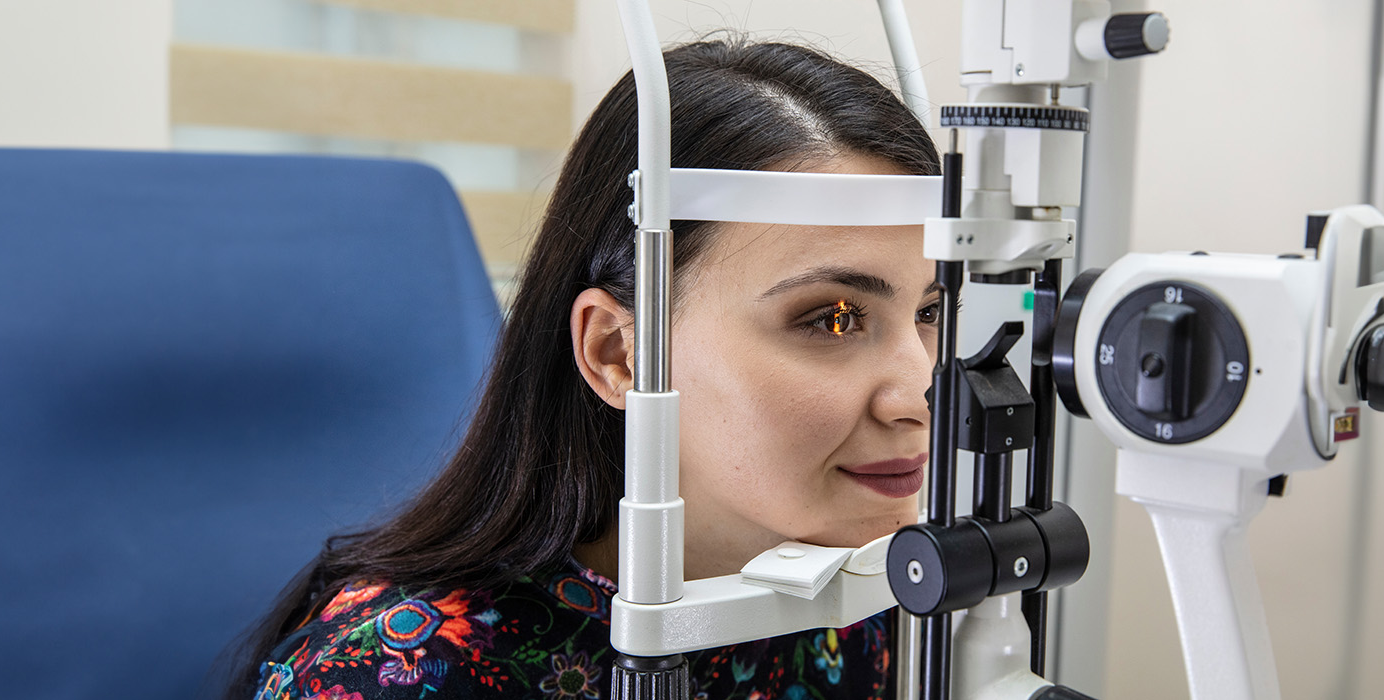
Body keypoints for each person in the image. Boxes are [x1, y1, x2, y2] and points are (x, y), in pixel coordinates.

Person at [226, 38, 942, 700]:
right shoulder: (397, 674)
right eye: (832, 319)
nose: (919, 392)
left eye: (929, 313)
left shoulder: (860, 602)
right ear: (617, 353)